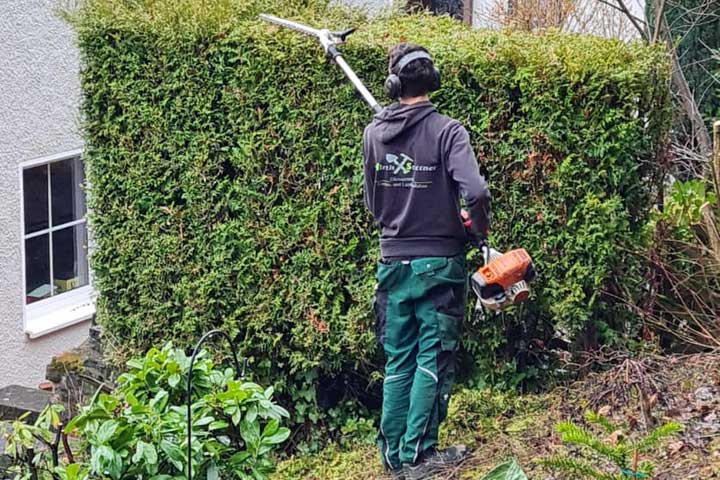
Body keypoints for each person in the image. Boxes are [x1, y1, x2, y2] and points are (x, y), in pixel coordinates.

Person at [362, 42, 491, 480]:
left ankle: (394, 457)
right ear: (432, 81)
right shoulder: (448, 131)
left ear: (393, 84)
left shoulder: (372, 134)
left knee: (398, 359)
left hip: (392, 262)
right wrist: (476, 231)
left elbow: (372, 202)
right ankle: (416, 458)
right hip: (438, 263)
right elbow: (474, 192)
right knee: (431, 359)